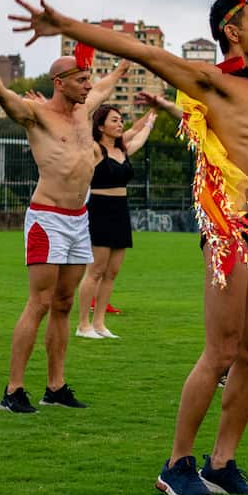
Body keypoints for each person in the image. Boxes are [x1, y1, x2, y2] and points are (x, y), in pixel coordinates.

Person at [11, 0, 248, 495]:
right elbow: (143, 53)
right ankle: (176, 463)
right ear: (230, 32)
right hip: (230, 230)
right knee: (222, 351)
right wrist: (65, 26)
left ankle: (223, 462)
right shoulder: (213, 82)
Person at [0, 29, 128, 414]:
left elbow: (107, 84)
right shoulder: (37, 116)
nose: (88, 84)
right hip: (47, 219)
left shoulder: (85, 110)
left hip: (79, 219)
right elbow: (2, 95)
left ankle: (56, 386)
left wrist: (126, 61)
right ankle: (13, 390)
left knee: (64, 303)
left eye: (89, 78)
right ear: (59, 83)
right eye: (81, 79)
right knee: (40, 302)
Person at [74, 104, 158, 339]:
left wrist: (150, 121)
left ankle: (100, 324)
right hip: (100, 210)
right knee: (96, 270)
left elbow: (139, 135)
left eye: (121, 120)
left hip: (121, 211)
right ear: (100, 126)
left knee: (112, 272)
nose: (120, 124)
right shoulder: (95, 150)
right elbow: (78, 138)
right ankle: (83, 325)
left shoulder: (124, 150)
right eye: (114, 120)